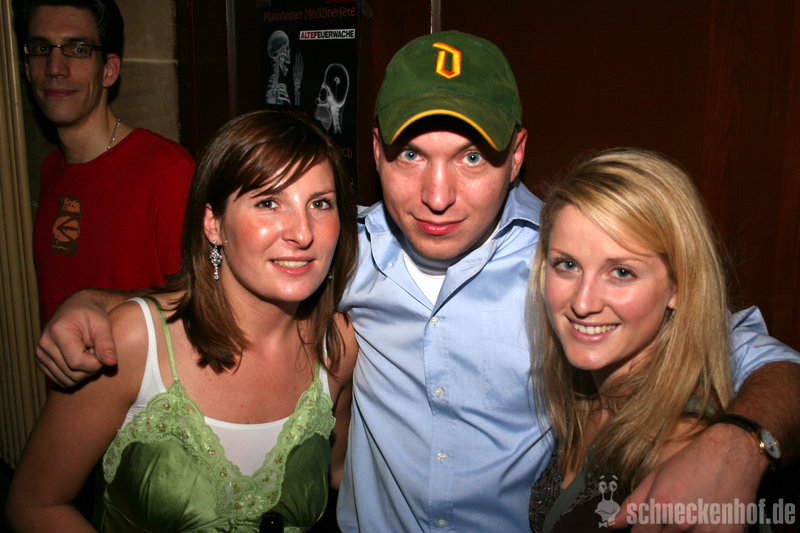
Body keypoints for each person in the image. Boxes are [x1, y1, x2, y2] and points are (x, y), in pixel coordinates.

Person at [31, 31, 800, 532]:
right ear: (374, 152)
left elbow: (757, 351)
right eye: (410, 155)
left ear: (517, 155)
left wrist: (746, 440)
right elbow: (233, 281)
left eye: (471, 157)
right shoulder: (340, 249)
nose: (437, 195)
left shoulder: (565, 263)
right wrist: (99, 303)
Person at [6, 110, 359, 532]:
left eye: (320, 204)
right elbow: (34, 504)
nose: (303, 233)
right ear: (214, 224)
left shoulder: (337, 346)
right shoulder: (133, 342)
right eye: (269, 202)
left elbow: (344, 477)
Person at [527, 148, 737, 532]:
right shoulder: (587, 399)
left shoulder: (683, 454)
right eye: (567, 265)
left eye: (621, 272)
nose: (583, 303)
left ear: (678, 286)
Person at [21, 0, 195, 324]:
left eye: (78, 49)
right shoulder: (51, 169)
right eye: (42, 48)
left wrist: (97, 303)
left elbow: (200, 302)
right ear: (27, 68)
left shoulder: (168, 171)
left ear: (109, 70)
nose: (55, 67)